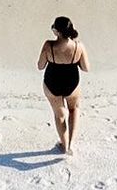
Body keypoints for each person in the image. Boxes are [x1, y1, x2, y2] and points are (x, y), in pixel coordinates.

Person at [38, 15, 90, 154]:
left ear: (57, 32)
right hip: (71, 83)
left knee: (59, 115)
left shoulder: (48, 45)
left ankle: (64, 145)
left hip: (52, 83)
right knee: (74, 110)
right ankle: (71, 144)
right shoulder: (79, 46)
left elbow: (40, 66)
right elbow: (86, 68)